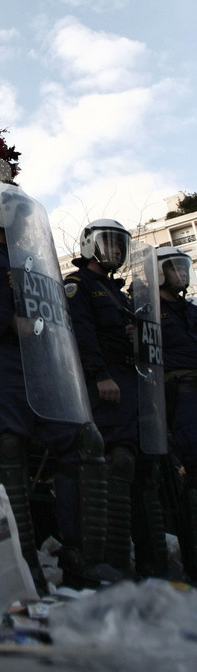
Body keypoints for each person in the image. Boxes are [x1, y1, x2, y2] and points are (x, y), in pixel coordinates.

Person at [0, 183, 115, 592]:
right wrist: (8, 321)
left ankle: (83, 560)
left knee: (82, 442)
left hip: (41, 362)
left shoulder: (30, 256)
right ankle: (20, 568)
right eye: (14, 209)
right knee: (6, 445)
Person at [64, 220, 168, 578]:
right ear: (90, 245)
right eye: (108, 244)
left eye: (120, 246)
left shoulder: (119, 295)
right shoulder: (78, 286)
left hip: (132, 383)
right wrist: (100, 375)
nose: (116, 252)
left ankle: (154, 566)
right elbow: (81, 332)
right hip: (106, 381)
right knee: (116, 462)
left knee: (144, 468)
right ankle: (115, 561)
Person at [157, 246, 197, 579]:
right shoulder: (149, 309)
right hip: (180, 393)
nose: (181, 275)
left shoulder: (189, 310)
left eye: (183, 268)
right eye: (174, 269)